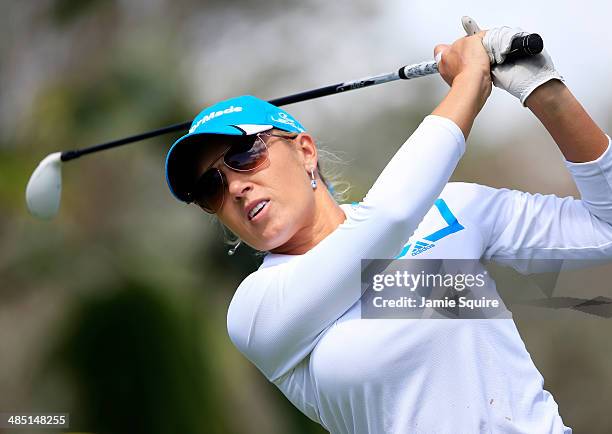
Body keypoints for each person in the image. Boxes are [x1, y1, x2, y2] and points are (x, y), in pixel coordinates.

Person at [164, 24, 611, 433]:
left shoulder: (449, 209)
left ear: (304, 151)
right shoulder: (257, 310)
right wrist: (469, 84)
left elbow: (604, 229)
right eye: (211, 187)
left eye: (245, 153)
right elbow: (388, 218)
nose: (236, 186)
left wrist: (543, 91)